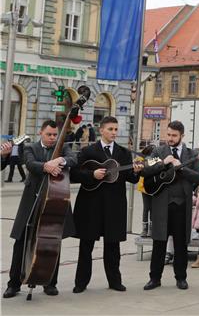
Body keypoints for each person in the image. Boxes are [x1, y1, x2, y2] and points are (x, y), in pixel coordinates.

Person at [4, 120, 76, 299]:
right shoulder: (31, 147)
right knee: (21, 242)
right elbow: (29, 163)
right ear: (41, 133)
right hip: (31, 201)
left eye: (54, 135)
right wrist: (46, 166)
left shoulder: (63, 148)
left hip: (54, 201)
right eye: (49, 134)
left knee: (52, 242)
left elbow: (74, 159)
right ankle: (14, 284)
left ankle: (50, 283)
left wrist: (62, 159)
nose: (52, 138)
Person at [71, 117, 142, 293]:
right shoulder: (88, 151)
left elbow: (131, 179)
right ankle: (81, 282)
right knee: (86, 245)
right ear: (101, 130)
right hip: (90, 205)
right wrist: (92, 174)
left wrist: (137, 172)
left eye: (116, 129)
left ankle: (114, 281)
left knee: (113, 246)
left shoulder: (124, 153)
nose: (114, 133)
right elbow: (74, 174)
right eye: (110, 129)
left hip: (114, 205)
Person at [141, 121, 199, 291]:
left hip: (182, 204)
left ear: (182, 136)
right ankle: (154, 278)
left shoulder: (192, 154)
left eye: (174, 135)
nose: (170, 138)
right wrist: (162, 163)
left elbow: (198, 177)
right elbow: (145, 169)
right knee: (159, 242)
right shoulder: (158, 151)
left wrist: (180, 168)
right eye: (168, 134)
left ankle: (181, 278)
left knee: (181, 243)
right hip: (161, 204)